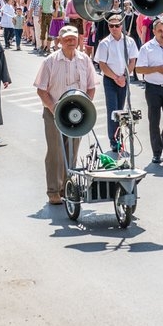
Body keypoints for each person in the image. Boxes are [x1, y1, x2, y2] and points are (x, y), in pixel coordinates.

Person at [34, 25, 96, 205]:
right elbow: (41, 90)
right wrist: (55, 110)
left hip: (77, 113)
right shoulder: (50, 61)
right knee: (55, 151)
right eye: (67, 39)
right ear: (59, 41)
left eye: (73, 39)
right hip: (54, 111)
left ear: (78, 40)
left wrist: (86, 106)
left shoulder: (84, 60)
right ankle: (53, 190)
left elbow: (91, 86)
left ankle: (66, 187)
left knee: (72, 151)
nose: (70, 42)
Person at [135, 18, 163, 164]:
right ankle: (156, 152)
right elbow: (139, 69)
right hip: (153, 88)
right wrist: (157, 69)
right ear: (153, 31)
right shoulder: (146, 48)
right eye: (160, 31)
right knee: (154, 120)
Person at [94, 13, 138, 152]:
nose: (114, 28)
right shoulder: (104, 43)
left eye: (117, 26)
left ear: (121, 26)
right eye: (111, 26)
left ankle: (120, 136)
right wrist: (116, 77)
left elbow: (132, 61)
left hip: (124, 78)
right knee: (112, 110)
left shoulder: (129, 41)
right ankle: (113, 140)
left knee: (121, 109)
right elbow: (102, 65)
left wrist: (124, 76)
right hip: (110, 79)